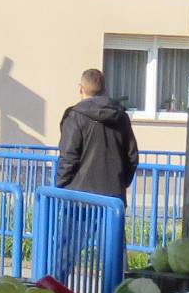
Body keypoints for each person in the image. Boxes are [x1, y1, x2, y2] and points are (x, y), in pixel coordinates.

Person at [55, 67, 139, 200]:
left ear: (80, 88)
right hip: (113, 198)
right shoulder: (121, 116)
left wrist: (59, 185)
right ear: (104, 90)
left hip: (79, 199)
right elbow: (132, 157)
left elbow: (68, 157)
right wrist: (121, 183)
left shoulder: (74, 116)